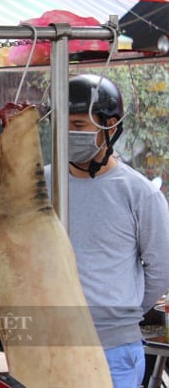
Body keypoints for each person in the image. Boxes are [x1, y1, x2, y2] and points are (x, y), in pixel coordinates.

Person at [44, 74, 169, 387]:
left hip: (114, 350)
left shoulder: (139, 193)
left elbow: (160, 269)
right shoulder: (41, 184)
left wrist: (120, 316)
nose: (69, 133)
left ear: (110, 127)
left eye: (79, 125)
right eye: (63, 124)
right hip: (49, 343)